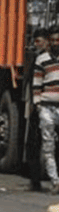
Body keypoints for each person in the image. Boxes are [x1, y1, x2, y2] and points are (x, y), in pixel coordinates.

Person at [32, 26, 59, 195]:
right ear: (49, 41)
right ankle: (55, 181)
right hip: (47, 107)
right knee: (48, 147)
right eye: (53, 40)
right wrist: (38, 104)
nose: (56, 43)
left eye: (58, 40)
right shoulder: (41, 60)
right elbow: (36, 84)